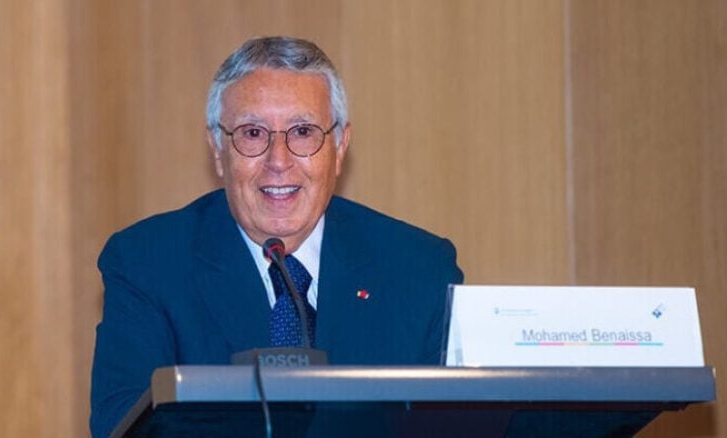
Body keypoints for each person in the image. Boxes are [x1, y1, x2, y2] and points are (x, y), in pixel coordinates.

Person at [90, 36, 464, 437]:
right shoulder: (147, 265)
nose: (278, 161)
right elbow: (121, 426)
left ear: (340, 146)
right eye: (253, 133)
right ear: (217, 148)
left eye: (302, 131)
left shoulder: (420, 270)